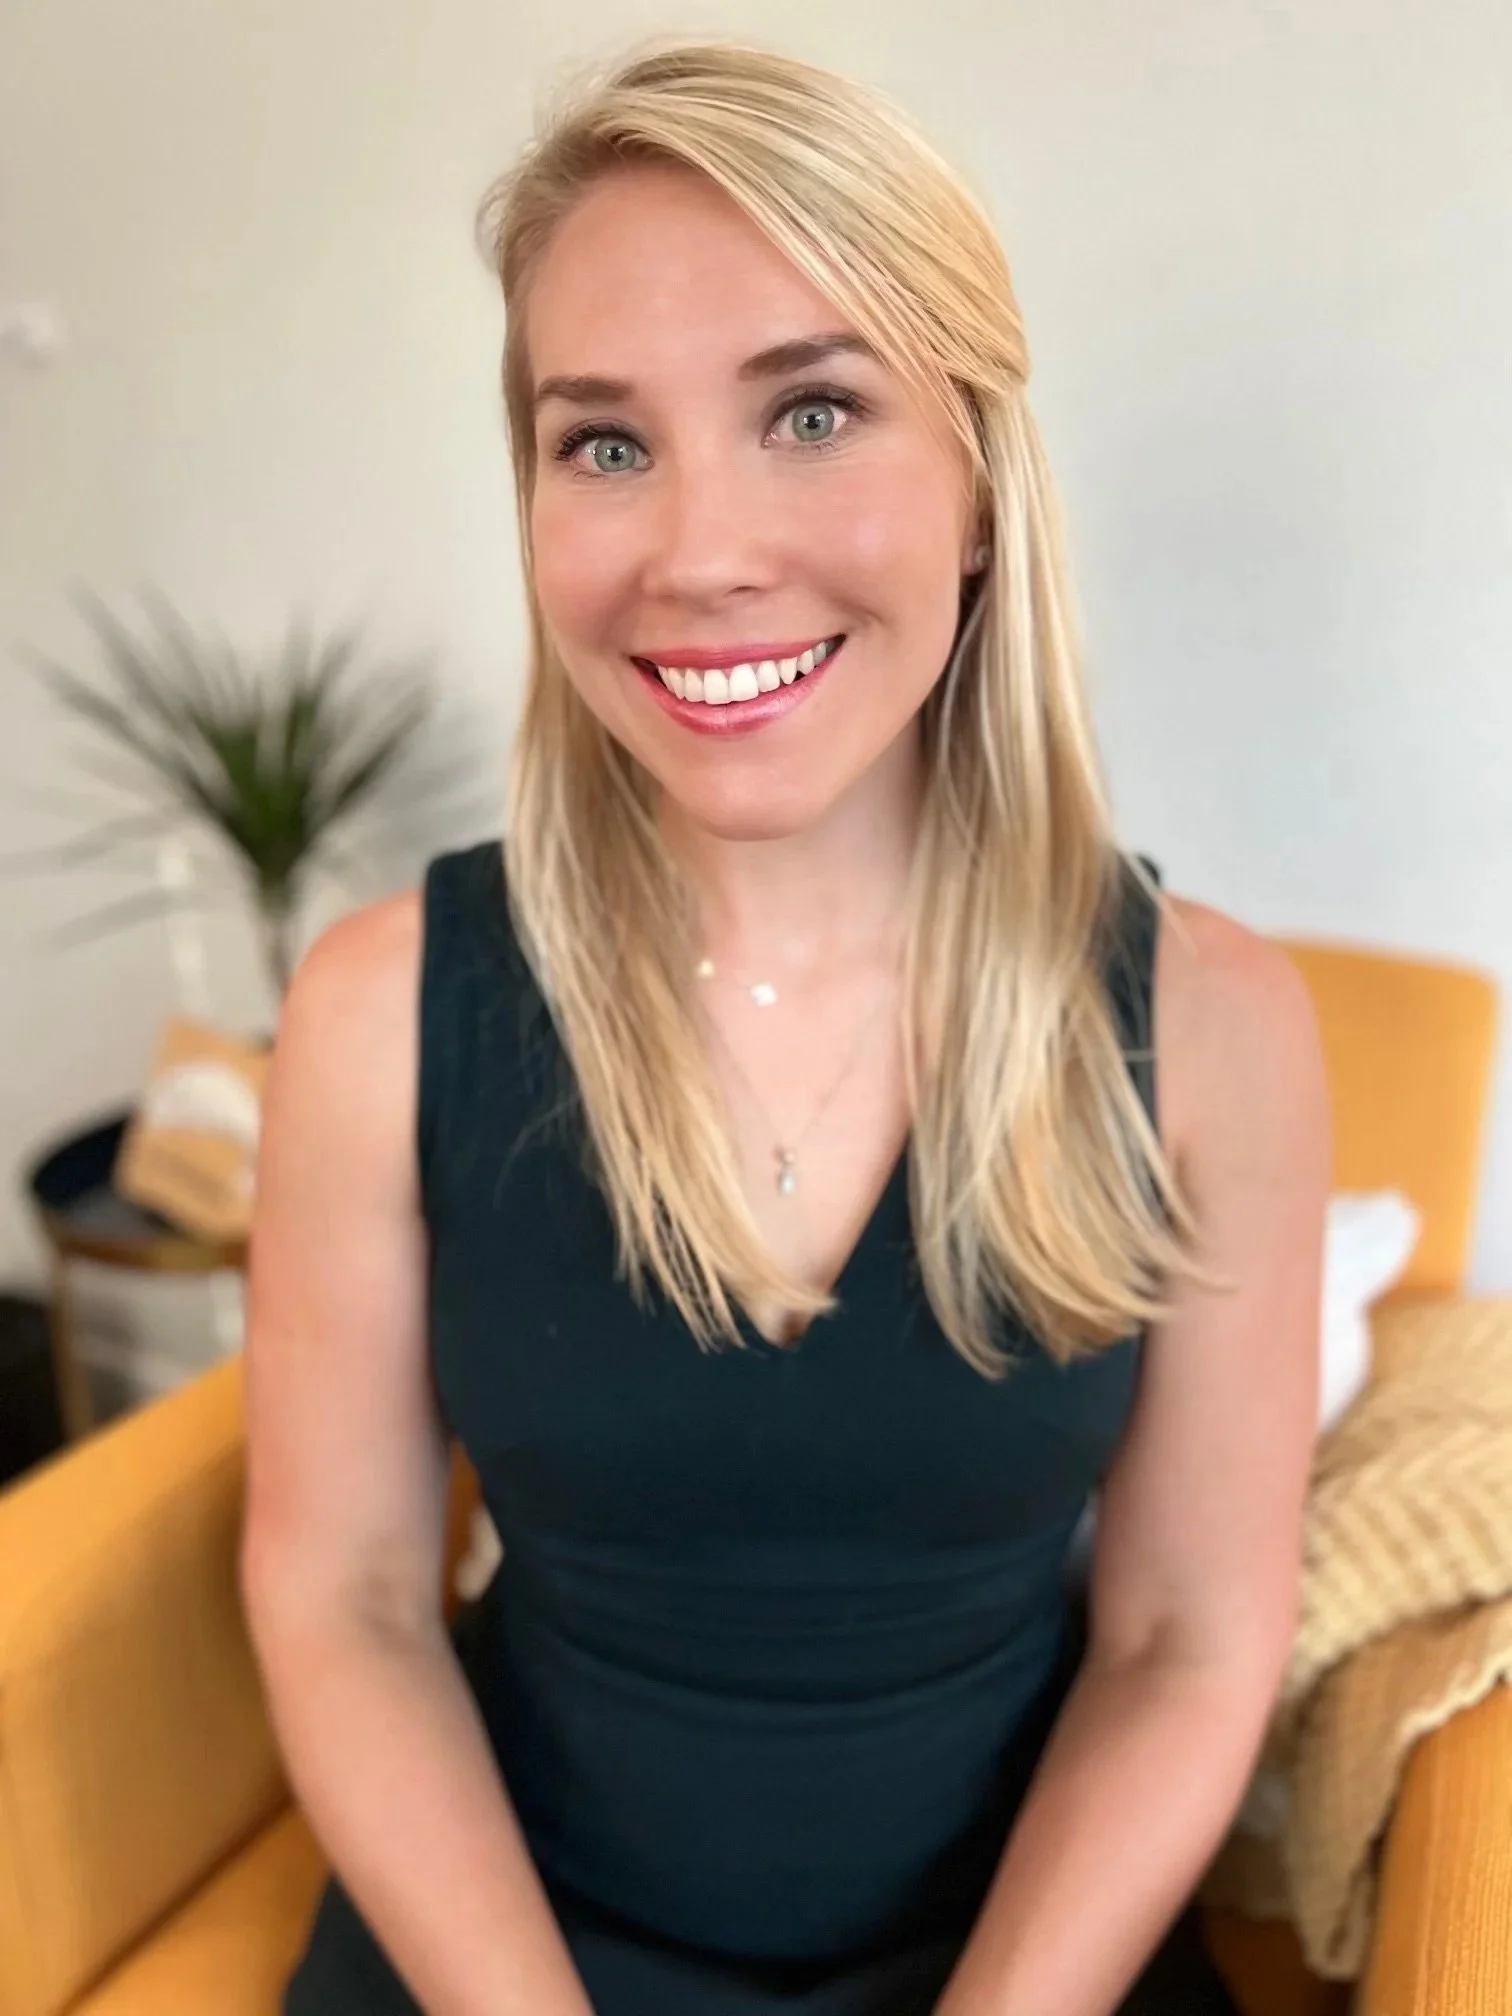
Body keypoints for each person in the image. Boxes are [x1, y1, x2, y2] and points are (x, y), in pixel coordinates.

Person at [242, 34, 1331, 2016]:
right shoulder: (380, 1014)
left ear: (983, 483)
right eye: (605, 443)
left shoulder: (1219, 1026)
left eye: (813, 411)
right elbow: (346, 1600)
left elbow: (1183, 1636)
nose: (701, 553)